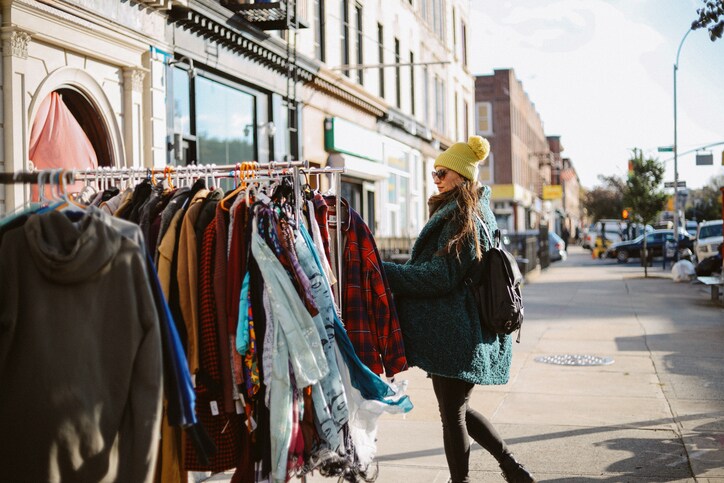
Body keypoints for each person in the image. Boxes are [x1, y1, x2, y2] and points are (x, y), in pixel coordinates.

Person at [382, 136, 535, 483]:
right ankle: (512, 468)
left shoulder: (462, 216)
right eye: (434, 172)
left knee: (452, 414)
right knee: (458, 410)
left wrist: (386, 271)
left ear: (462, 176)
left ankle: (466, 481)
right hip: (461, 330)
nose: (435, 178)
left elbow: (441, 277)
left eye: (442, 172)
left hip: (457, 331)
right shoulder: (474, 211)